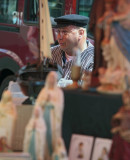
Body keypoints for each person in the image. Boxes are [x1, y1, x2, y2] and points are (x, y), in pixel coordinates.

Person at [27, 14, 94, 82]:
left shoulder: (94, 59)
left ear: (81, 33)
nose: (59, 37)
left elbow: (86, 88)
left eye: (65, 32)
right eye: (58, 32)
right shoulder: (51, 53)